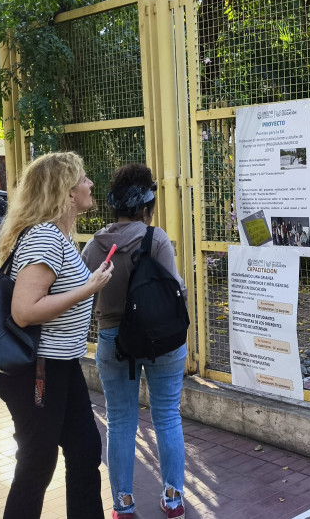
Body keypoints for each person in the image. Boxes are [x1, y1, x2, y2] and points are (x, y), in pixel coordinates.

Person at [0, 151, 114, 519]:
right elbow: (24, 311)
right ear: (66, 190)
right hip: (36, 368)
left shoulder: (57, 235)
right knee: (37, 461)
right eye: (84, 179)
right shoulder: (45, 237)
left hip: (58, 364)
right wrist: (87, 289)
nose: (90, 184)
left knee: (85, 448)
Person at [82, 164, 189, 519]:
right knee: (167, 417)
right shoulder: (155, 239)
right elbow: (177, 292)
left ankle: (123, 506)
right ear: (147, 204)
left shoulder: (96, 246)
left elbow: (84, 296)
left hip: (114, 342)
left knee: (121, 421)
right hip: (162, 342)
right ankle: (173, 500)